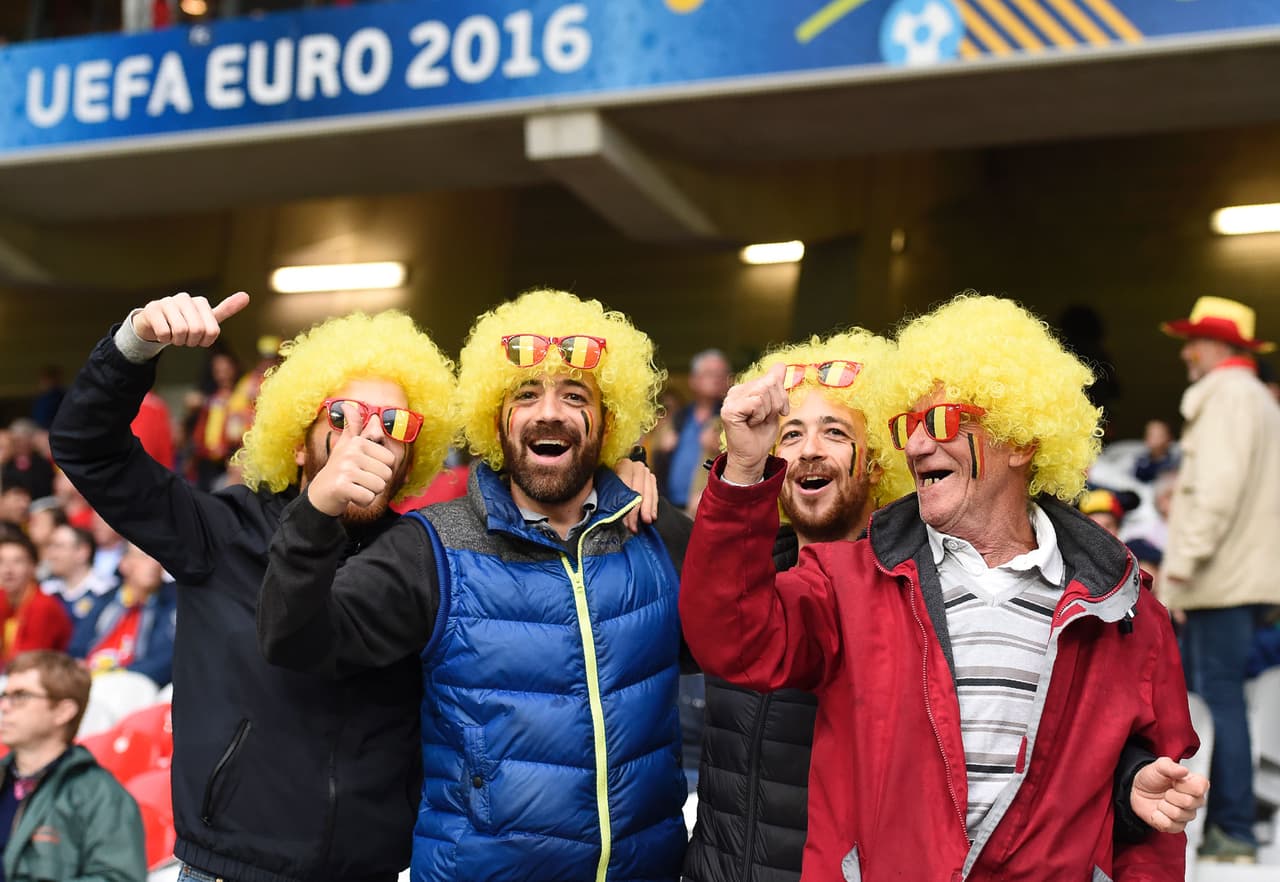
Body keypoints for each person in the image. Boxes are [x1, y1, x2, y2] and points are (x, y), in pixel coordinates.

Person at [681, 294, 1203, 881]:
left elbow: (1155, 823)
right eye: (910, 425)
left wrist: (1134, 786)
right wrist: (745, 471)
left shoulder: (1124, 612)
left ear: (1023, 440)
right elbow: (735, 639)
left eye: (945, 422)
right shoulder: (851, 582)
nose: (918, 445)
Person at [259, 288, 690, 882]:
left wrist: (742, 482)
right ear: (495, 419)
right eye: (526, 395)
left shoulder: (654, 529)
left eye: (575, 395)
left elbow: (748, 637)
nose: (549, 413)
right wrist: (314, 515)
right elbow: (296, 639)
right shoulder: (430, 546)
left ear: (608, 421)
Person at [49, 291, 457, 882]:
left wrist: (620, 479)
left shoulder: (422, 550)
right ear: (298, 437)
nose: (369, 437)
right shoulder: (220, 529)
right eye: (343, 417)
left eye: (394, 423)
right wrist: (134, 345)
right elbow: (88, 448)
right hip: (228, 868)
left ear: (409, 456)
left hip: (370, 870)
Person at [684, 329, 913, 882]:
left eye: (835, 432)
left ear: (878, 462)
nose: (809, 449)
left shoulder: (910, 592)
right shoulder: (739, 568)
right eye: (791, 435)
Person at [1158, 295, 1280, 863]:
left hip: (1219, 578)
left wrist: (1182, 564)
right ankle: (1230, 825)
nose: (1187, 352)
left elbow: (1217, 492)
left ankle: (1233, 829)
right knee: (1220, 695)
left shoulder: (1229, 396)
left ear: (1220, 346)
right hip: (1231, 576)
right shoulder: (1246, 394)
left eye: (1194, 341)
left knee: (1219, 697)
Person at [0, 649, 146, 882]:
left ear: (63, 711)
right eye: (4, 696)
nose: (5, 707)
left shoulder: (101, 795)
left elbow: (118, 878)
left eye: (21, 696)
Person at [81, 543, 177, 686]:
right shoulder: (104, 600)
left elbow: (165, 659)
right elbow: (78, 645)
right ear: (124, 564)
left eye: (157, 558)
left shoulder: (171, 603)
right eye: (144, 557)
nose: (154, 564)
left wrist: (120, 673)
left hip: (133, 681)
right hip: (90, 674)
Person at [661, 349, 732, 508]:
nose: (717, 379)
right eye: (710, 373)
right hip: (670, 505)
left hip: (706, 506)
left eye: (722, 374)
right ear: (693, 379)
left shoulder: (730, 417)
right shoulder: (680, 416)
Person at [0, 533, 72, 663]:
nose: (8, 570)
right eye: (1, 561)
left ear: (33, 567)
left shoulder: (43, 606)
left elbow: (27, 662)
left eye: (17, 561)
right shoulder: (2, 597)